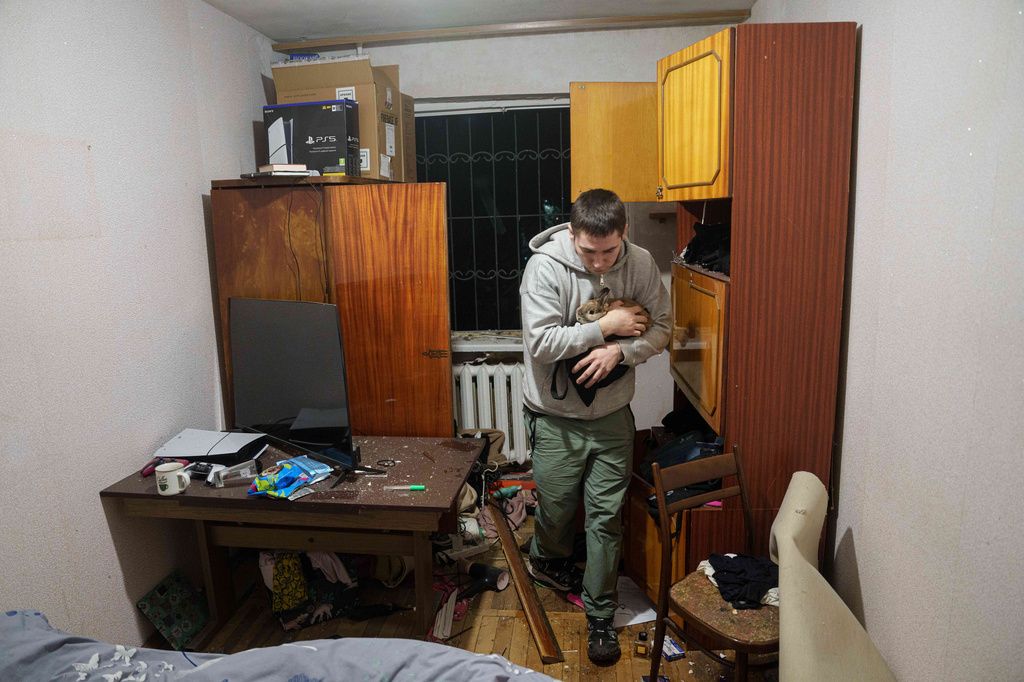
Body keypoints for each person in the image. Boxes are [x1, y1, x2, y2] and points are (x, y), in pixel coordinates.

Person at [519, 188, 670, 663]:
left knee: (605, 518)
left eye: (610, 251)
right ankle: (547, 557)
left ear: (623, 234)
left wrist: (620, 351)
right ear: (571, 234)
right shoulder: (544, 267)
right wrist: (608, 327)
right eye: (589, 251)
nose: (601, 262)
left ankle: (600, 616)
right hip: (553, 415)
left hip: (611, 417)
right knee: (558, 508)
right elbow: (541, 343)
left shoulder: (641, 263)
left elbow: (664, 327)